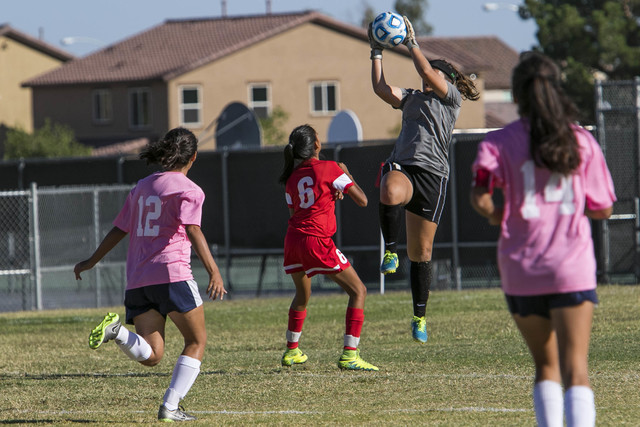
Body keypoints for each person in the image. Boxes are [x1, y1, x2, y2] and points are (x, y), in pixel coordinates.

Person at [470, 52, 616, 427]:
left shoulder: (497, 142)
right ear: (556, 91)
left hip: (521, 266)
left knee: (546, 366)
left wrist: (495, 214)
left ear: (517, 98)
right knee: (576, 371)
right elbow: (602, 209)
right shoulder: (581, 141)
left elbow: (481, 196)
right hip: (571, 267)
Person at [74, 127, 226, 422]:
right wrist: (214, 271)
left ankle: (116, 332)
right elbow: (193, 230)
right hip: (173, 275)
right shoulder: (190, 189)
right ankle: (170, 406)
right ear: (193, 156)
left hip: (139, 280)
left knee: (153, 355)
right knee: (196, 341)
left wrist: (92, 261)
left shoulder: (142, 186)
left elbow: (120, 229)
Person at [369, 16, 480, 343]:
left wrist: (411, 43)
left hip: (434, 177)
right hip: (405, 168)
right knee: (390, 188)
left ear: (446, 80)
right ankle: (390, 250)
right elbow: (379, 88)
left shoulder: (450, 100)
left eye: (434, 73)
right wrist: (376, 51)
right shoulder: (412, 98)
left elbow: (428, 72)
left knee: (421, 252)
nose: (427, 76)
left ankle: (419, 316)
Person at [279, 124, 378, 371]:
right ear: (316, 145)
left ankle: (292, 351)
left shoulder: (291, 178)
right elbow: (363, 200)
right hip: (317, 242)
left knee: (303, 295)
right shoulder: (331, 168)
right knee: (359, 291)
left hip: (293, 241)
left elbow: (298, 211)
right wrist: (347, 173)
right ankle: (350, 355)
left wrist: (331, 191)